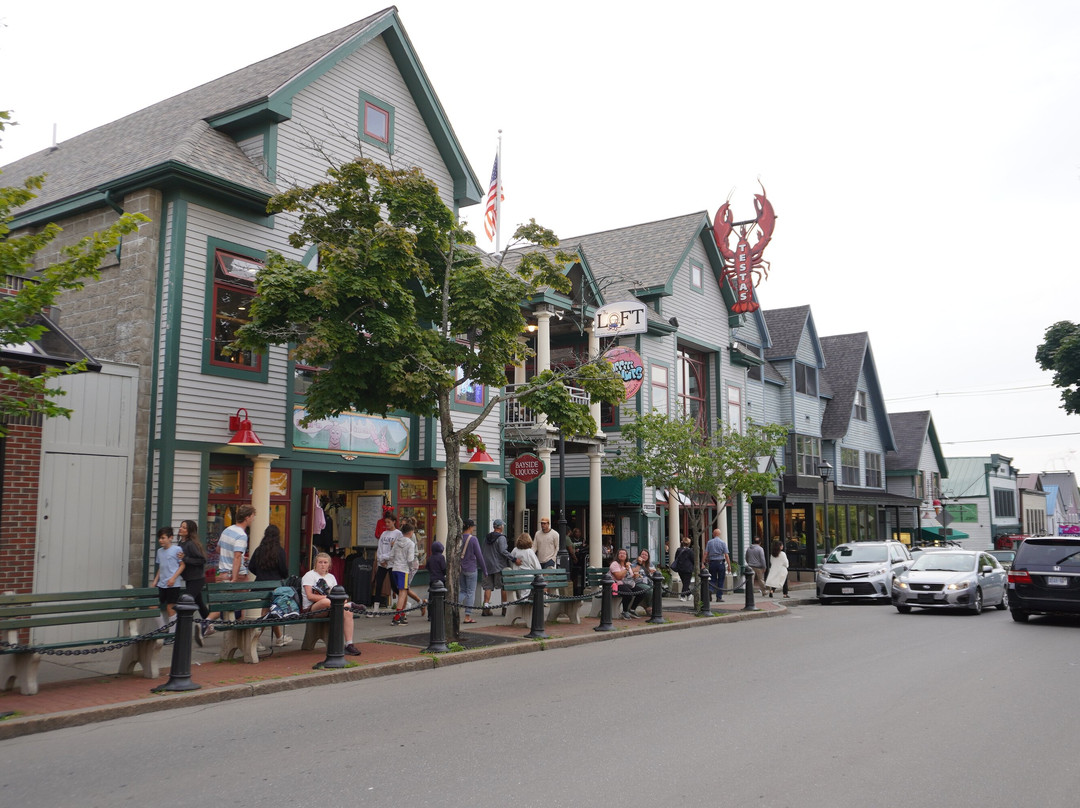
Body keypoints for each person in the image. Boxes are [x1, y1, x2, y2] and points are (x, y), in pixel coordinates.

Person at [302, 552, 361, 655]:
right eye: (320, 562)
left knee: (348, 612)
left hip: (331, 607)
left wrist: (341, 600)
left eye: (325, 562)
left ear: (329, 565)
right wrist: (332, 598)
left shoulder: (331, 577)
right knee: (326, 601)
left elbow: (337, 593)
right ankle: (349, 605)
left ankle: (349, 644)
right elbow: (310, 596)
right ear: (315, 564)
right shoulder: (309, 575)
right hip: (312, 608)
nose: (323, 565)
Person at [248, 525, 293, 647]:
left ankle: (279, 637)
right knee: (267, 612)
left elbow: (251, 566)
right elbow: (284, 570)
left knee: (270, 611)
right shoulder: (279, 551)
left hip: (260, 585)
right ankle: (254, 640)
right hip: (275, 586)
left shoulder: (259, 550)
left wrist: (261, 574)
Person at [176, 520, 209, 645]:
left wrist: (185, 559)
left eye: (184, 527)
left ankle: (186, 630)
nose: (181, 528)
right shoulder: (181, 543)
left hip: (197, 578)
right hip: (189, 578)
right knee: (199, 603)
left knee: (186, 601)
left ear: (189, 531)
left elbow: (201, 560)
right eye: (181, 526)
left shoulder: (190, 544)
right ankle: (209, 624)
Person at [152, 526, 184, 628]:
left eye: (163, 538)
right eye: (159, 538)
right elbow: (161, 567)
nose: (160, 540)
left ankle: (172, 633)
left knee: (170, 608)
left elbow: (182, 565)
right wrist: (155, 580)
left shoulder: (177, 549)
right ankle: (162, 628)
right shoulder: (159, 551)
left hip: (173, 584)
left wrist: (173, 578)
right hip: (161, 584)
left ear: (170, 538)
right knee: (153, 605)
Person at [480, 518, 514, 617]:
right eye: (503, 525)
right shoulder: (501, 538)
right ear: (500, 527)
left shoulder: (486, 538)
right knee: (503, 586)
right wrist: (514, 559)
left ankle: (486, 607)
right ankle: (504, 608)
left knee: (487, 587)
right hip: (499, 566)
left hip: (487, 566)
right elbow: (503, 551)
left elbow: (483, 550)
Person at [389, 520, 419, 626]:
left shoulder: (397, 542)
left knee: (401, 592)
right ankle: (397, 616)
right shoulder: (410, 543)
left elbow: (391, 556)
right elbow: (410, 559)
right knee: (402, 593)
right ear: (410, 532)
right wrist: (411, 567)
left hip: (395, 568)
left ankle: (401, 615)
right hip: (404, 569)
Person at [459, 519, 488, 623]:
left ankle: (451, 609)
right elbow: (479, 556)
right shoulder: (473, 539)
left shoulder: (459, 538)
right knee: (471, 592)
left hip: (461, 568)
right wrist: (485, 570)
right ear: (470, 527)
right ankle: (467, 616)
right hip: (471, 568)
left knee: (462, 591)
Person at [374, 513, 402, 610]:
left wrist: (385, 558)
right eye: (385, 522)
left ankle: (404, 601)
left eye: (389, 522)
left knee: (394, 585)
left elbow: (396, 550)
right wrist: (381, 559)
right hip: (382, 563)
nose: (387, 524)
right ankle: (376, 608)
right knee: (378, 584)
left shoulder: (398, 534)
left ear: (394, 522)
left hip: (392, 563)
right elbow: (380, 547)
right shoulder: (383, 533)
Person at [610, 548, 647, 619]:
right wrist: (626, 568)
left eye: (624, 554)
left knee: (642, 592)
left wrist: (635, 575)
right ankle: (624, 611)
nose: (622, 555)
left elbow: (631, 576)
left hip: (628, 584)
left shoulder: (627, 564)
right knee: (628, 593)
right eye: (620, 553)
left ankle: (632, 609)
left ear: (626, 556)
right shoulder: (615, 564)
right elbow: (618, 577)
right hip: (618, 585)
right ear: (617, 555)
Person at [704, 528, 731, 602]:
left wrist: (702, 563)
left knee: (712, 578)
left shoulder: (709, 542)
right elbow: (726, 555)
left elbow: (706, 553)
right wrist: (729, 565)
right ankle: (719, 597)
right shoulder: (722, 543)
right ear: (719, 534)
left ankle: (710, 589)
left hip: (712, 562)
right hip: (720, 562)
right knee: (721, 580)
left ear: (713, 534)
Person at [632, 549, 655, 615]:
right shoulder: (635, 562)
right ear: (639, 555)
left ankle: (654, 607)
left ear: (648, 557)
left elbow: (654, 573)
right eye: (642, 554)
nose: (644, 556)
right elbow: (633, 572)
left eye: (646, 555)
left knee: (659, 590)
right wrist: (639, 563)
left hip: (649, 582)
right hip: (638, 582)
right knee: (650, 590)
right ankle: (648, 607)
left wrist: (651, 572)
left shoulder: (650, 563)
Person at [671, 536, 695, 601]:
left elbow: (676, 558)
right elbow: (693, 560)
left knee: (685, 582)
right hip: (688, 569)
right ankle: (683, 595)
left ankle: (689, 594)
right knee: (686, 583)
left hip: (680, 568)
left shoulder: (678, 550)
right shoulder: (690, 551)